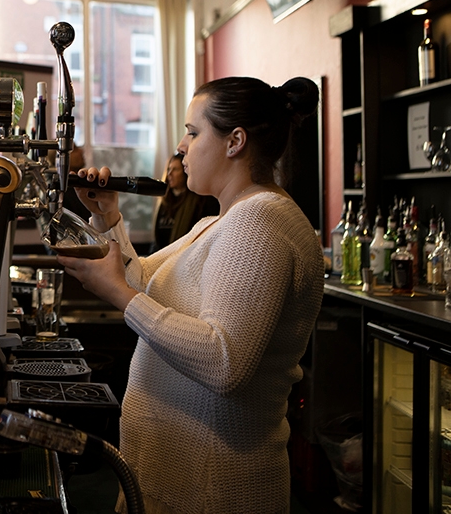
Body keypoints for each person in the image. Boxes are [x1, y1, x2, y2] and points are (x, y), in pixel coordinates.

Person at [58, 76, 323, 514]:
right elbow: (145, 281)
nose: (181, 147)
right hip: (180, 478)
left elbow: (224, 361)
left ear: (235, 141)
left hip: (214, 487)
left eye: (193, 132)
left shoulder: (260, 224)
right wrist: (107, 217)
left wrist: (122, 299)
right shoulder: (218, 221)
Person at [151, 154, 219, 252]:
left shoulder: (199, 202)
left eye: (175, 169)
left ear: (185, 172)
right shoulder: (165, 201)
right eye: (169, 169)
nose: (170, 174)